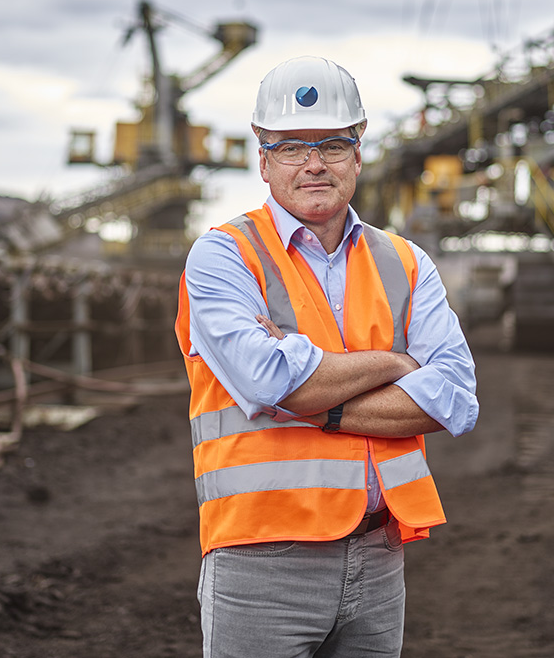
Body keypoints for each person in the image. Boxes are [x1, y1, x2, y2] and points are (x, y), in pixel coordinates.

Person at [175, 55, 478, 658]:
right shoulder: (223, 257)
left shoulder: (406, 262)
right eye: (291, 147)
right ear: (263, 161)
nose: (314, 162)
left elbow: (456, 401)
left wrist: (309, 394)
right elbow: (267, 381)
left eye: (333, 144)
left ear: (358, 154)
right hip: (261, 559)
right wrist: (395, 364)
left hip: (378, 558)